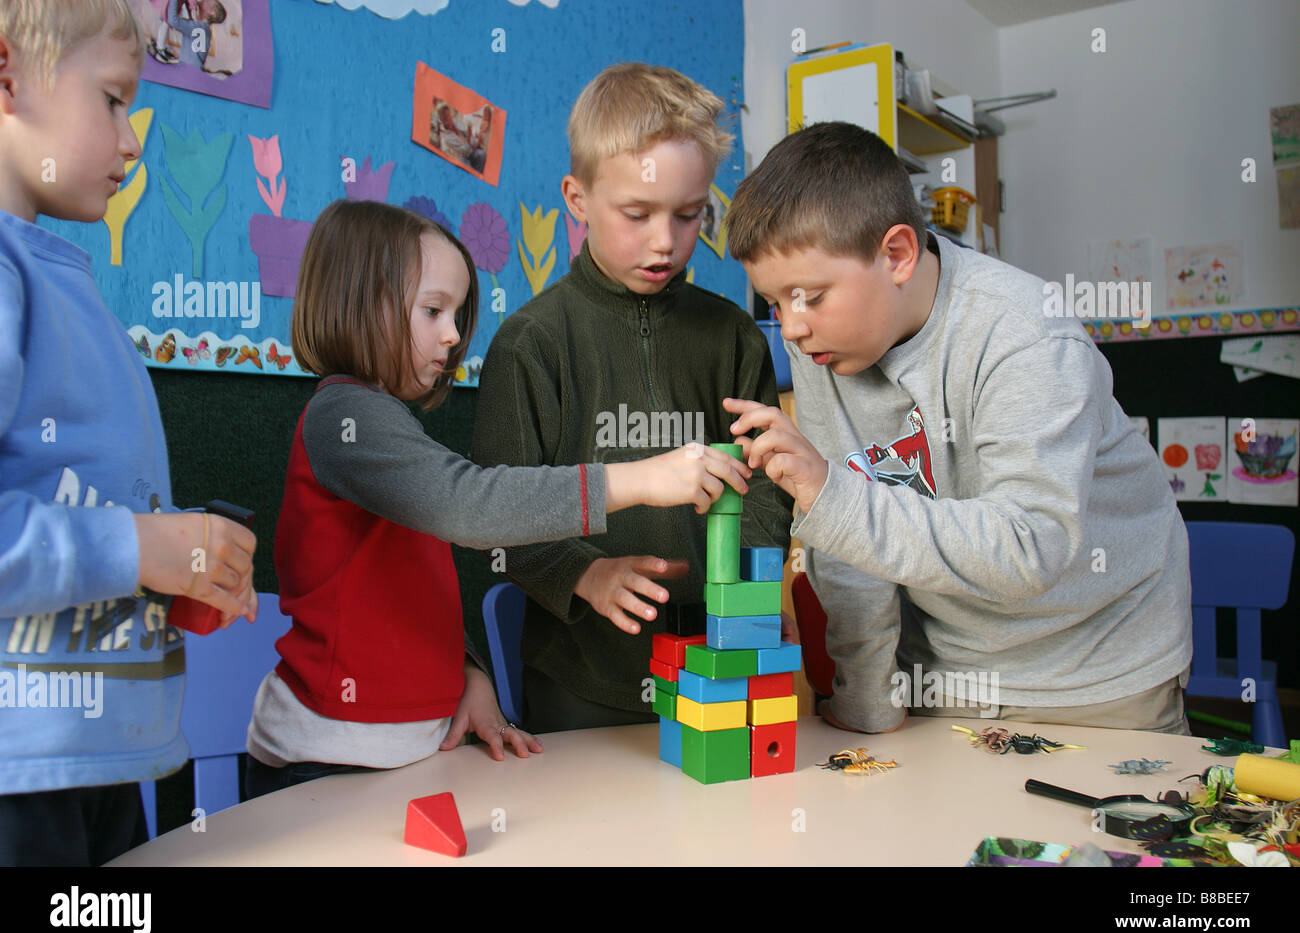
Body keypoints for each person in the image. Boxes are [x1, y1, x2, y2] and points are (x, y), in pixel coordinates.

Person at [244, 199, 753, 797]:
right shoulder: (342, 416)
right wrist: (637, 479)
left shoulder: (388, 426)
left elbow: (403, 586)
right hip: (325, 761)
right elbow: (467, 507)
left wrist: (469, 676)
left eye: (457, 314)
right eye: (432, 310)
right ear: (359, 304)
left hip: (409, 754)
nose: (454, 334)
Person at [723, 121, 1193, 736]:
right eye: (775, 304)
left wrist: (831, 495)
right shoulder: (826, 346)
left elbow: (1028, 548)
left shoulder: (1024, 335)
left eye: (807, 295)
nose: (790, 327)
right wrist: (867, 699)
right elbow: (852, 548)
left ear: (896, 254)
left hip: (1097, 675)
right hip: (945, 679)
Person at [0, 0, 257, 865]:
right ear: (6, 74)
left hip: (92, 766)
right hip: (19, 781)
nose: (134, 136)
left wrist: (182, 566)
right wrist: (141, 548)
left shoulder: (60, 280)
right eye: (113, 99)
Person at [471, 63, 793, 734]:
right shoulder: (531, 342)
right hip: (580, 680)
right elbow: (500, 510)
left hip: (717, 664)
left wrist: (752, 595)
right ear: (577, 198)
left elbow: (766, 483)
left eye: (688, 215)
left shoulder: (733, 335)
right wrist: (581, 575)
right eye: (637, 214)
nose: (664, 242)